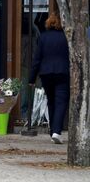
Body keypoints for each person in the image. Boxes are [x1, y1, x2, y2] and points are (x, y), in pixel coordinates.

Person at [28, 12, 70, 144]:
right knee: (61, 101)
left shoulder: (43, 37)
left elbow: (37, 59)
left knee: (51, 101)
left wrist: (31, 78)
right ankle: (57, 131)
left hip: (46, 73)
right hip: (63, 72)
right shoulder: (67, 37)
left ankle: (53, 131)